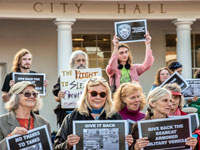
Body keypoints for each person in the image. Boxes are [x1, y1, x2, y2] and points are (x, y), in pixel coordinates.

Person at [54, 76, 133, 150]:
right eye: (94, 93)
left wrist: (128, 144)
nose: (98, 97)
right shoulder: (72, 117)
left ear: (107, 96)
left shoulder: (115, 117)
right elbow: (56, 147)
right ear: (86, 94)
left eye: (102, 94)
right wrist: (67, 144)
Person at [130, 87, 197, 150]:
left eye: (170, 101)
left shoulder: (179, 125)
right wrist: (136, 147)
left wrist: (192, 146)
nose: (170, 104)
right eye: (165, 100)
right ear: (152, 103)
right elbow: (129, 147)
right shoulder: (139, 126)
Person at [0, 81, 51, 149]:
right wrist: (11, 137)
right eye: (27, 94)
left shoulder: (44, 123)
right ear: (16, 97)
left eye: (34, 94)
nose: (32, 96)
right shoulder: (1, 122)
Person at [52, 50, 89, 126]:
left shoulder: (91, 77)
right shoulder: (65, 76)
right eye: (78, 60)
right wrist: (59, 95)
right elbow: (56, 96)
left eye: (83, 60)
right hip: (67, 112)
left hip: (86, 111)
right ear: (73, 63)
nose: (81, 63)